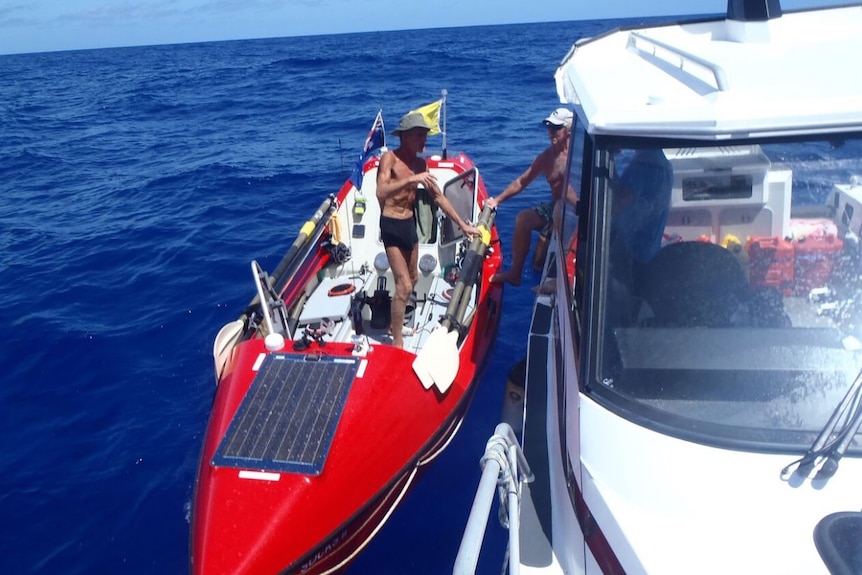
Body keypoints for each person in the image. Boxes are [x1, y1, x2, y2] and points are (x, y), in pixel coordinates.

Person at [376, 111, 479, 348]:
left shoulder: (421, 164)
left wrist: (462, 225)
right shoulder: (389, 159)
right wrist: (413, 180)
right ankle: (397, 342)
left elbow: (438, 197)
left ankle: (394, 322)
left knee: (412, 278)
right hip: (390, 224)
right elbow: (381, 191)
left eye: (425, 136)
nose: (424, 141)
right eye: (419, 135)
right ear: (405, 137)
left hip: (408, 224)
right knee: (404, 285)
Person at [485, 108, 577, 286]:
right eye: (549, 127)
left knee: (559, 213)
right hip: (557, 207)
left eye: (556, 127)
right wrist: (497, 200)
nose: (551, 132)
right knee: (522, 219)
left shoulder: (579, 155)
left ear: (569, 130)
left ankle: (563, 279)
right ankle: (515, 273)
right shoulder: (546, 157)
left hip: (579, 210)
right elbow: (522, 182)